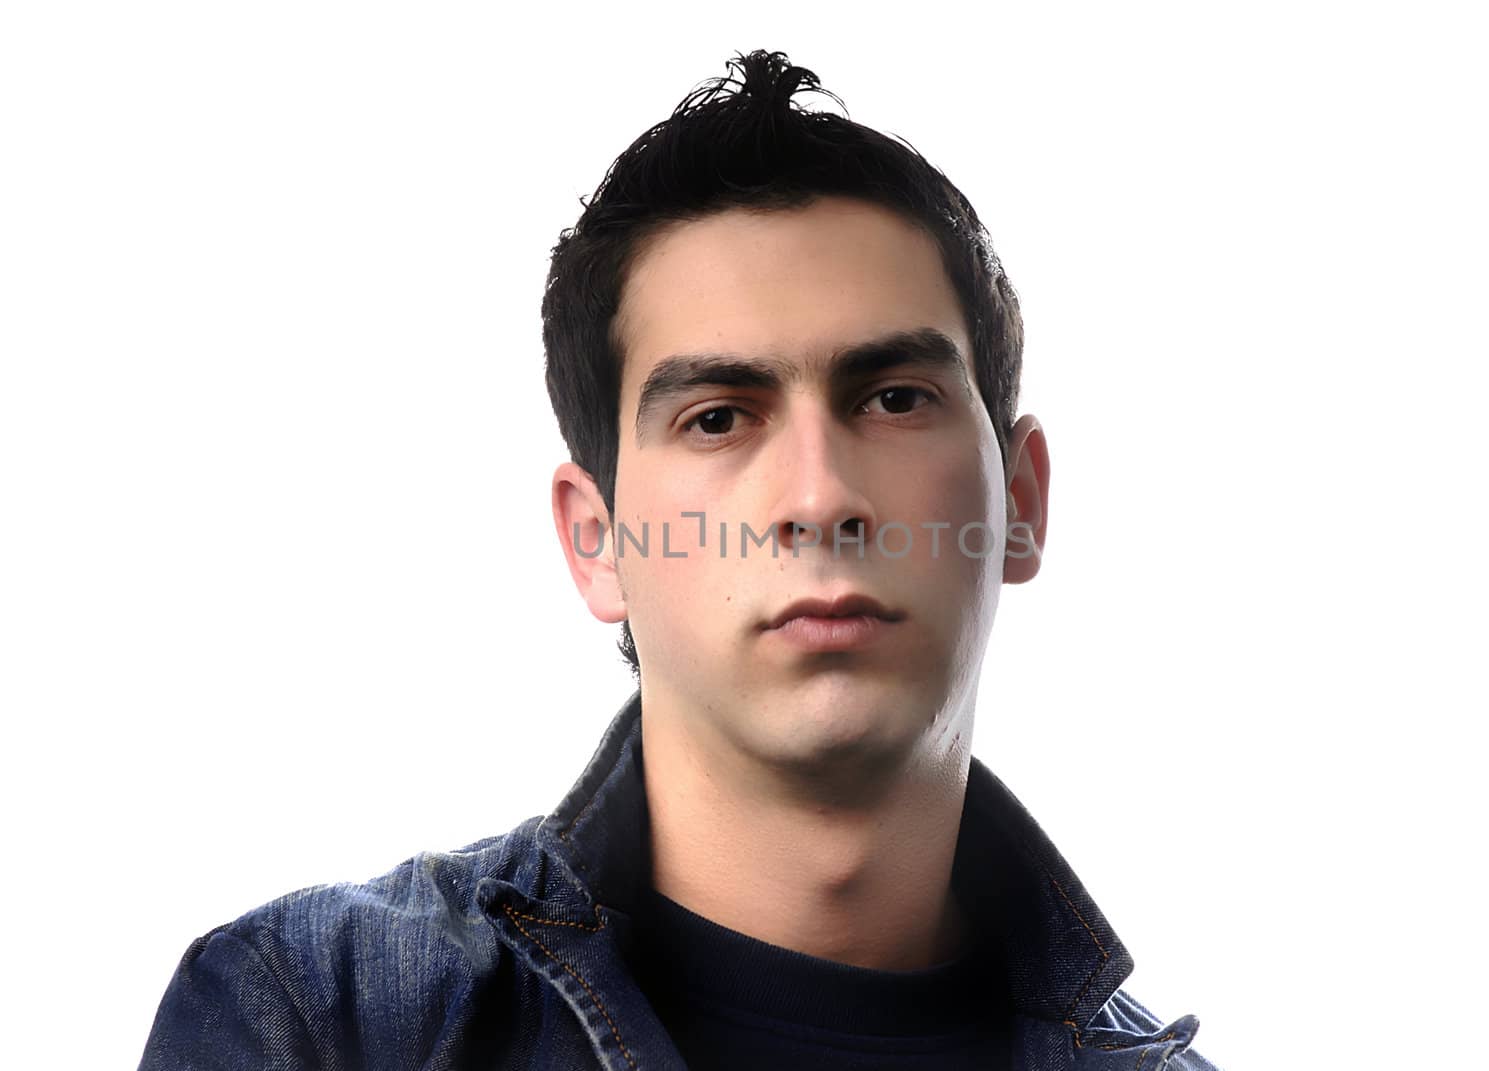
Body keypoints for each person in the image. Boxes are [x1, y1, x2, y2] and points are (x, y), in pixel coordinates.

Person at [139, 49, 1220, 1070]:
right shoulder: (320, 1020)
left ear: (1021, 503)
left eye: (894, 399)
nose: (818, 497)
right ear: (594, 538)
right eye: (716, 418)